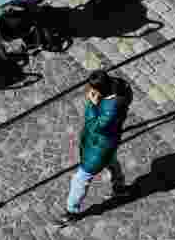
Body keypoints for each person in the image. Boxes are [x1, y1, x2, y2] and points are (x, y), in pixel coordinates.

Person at [55, 71, 133, 226]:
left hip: (99, 146)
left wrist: (92, 104)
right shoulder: (120, 88)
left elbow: (95, 126)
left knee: (80, 178)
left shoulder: (111, 109)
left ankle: (71, 211)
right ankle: (119, 186)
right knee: (111, 160)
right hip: (107, 143)